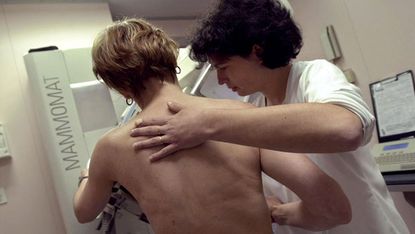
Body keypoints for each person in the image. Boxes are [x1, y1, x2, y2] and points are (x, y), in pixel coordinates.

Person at [129, 0, 410, 233]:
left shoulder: (315, 75)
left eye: (224, 66)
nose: (222, 79)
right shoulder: (252, 104)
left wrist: (208, 122)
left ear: (257, 52)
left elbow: (345, 128)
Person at [73, 18, 352, 234]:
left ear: (121, 87)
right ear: (172, 62)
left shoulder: (110, 149)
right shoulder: (242, 119)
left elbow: (84, 212)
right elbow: (334, 208)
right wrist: (278, 213)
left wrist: (88, 176)